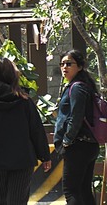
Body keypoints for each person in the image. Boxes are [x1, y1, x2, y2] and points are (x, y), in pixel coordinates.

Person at [0, 58, 52, 205]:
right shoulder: (25, 102)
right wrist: (45, 156)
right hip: (22, 160)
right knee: (18, 200)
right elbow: (36, 130)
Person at [53, 49, 100, 205]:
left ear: (80, 66)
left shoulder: (77, 88)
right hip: (88, 145)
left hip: (78, 145)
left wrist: (66, 140)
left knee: (71, 190)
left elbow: (76, 117)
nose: (64, 67)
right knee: (83, 190)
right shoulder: (82, 86)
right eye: (62, 64)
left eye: (69, 63)